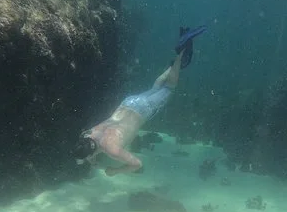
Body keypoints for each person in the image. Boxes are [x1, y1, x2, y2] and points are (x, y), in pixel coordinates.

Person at [73, 26, 206, 176]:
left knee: (169, 88)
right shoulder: (87, 134)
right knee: (155, 88)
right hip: (128, 103)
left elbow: (137, 164)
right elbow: (92, 146)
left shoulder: (112, 149)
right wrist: (91, 157)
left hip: (143, 110)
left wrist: (115, 171)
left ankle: (180, 55)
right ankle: (177, 63)